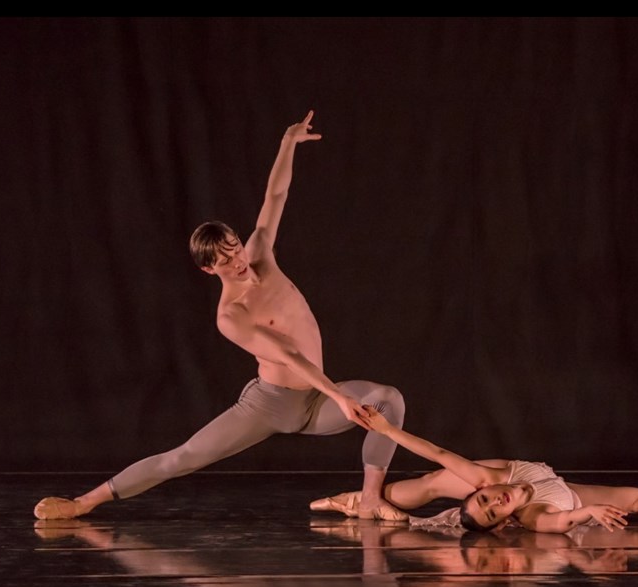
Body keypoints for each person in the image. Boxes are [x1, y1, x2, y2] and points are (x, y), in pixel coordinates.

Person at [34, 111, 407, 522]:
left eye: (235, 248)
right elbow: (289, 355)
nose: (238, 260)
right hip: (271, 404)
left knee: (387, 399)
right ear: (208, 270)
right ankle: (82, 503)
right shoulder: (232, 315)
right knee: (184, 457)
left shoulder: (261, 255)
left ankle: (370, 498)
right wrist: (341, 394)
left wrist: (288, 143)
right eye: (225, 260)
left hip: (316, 401)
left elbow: (275, 197)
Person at [311, 407, 638, 533]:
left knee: (442, 474)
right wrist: (587, 513)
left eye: (484, 501)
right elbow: (556, 523)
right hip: (563, 494)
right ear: (507, 521)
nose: (495, 502)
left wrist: (388, 428)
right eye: (494, 510)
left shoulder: (492, 484)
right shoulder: (531, 516)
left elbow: (436, 451)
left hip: (515, 468)